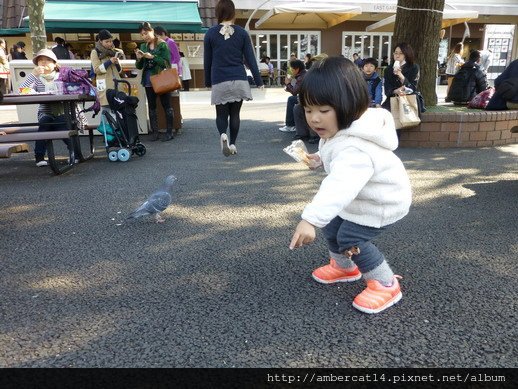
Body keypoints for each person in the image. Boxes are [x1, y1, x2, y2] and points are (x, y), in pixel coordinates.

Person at [289, 56, 412, 314]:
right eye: (308, 110)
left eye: (323, 111)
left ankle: (386, 283)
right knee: (333, 225)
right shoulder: (342, 129)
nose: (314, 119)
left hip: (382, 201)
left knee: (350, 237)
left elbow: (339, 185)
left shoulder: (356, 148)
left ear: (348, 105)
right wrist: (320, 159)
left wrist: (310, 219)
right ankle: (344, 267)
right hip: (362, 197)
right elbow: (335, 152)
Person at [204, 0, 263, 157]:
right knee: (235, 114)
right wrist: (259, 81)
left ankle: (223, 134)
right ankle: (233, 144)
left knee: (221, 114)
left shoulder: (210, 33)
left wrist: (207, 82)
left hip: (219, 79)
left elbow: (207, 61)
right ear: (233, 13)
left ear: (217, 13)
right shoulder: (242, 33)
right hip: (239, 79)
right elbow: (251, 59)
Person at [18, 49, 86, 167]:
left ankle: (75, 153)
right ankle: (39, 157)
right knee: (45, 122)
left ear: (55, 63)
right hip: (46, 111)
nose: (44, 63)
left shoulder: (63, 75)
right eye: (41, 60)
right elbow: (22, 91)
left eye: (48, 60)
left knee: (62, 123)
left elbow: (74, 91)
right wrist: (33, 75)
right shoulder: (37, 79)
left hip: (65, 110)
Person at [135, 21, 175, 142]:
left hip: (161, 79)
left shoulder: (162, 44)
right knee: (152, 107)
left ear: (152, 31)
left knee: (166, 105)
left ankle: (169, 132)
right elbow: (139, 66)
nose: (144, 36)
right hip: (148, 80)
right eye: (142, 34)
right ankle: (155, 132)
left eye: (146, 33)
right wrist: (139, 59)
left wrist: (152, 57)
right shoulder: (143, 46)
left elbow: (167, 63)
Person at [381, 42, 420, 114]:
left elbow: (413, 88)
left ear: (406, 54)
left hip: (409, 101)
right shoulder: (388, 69)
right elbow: (387, 90)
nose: (397, 56)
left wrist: (400, 75)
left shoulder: (414, 67)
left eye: (401, 53)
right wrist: (396, 91)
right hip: (392, 101)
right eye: (395, 53)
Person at [90, 29, 123, 110]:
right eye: (107, 42)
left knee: (119, 111)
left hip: (117, 85)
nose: (109, 43)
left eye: (111, 41)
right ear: (100, 41)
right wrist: (109, 62)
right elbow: (97, 70)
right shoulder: (95, 52)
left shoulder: (113, 51)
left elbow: (119, 71)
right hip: (105, 86)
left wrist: (116, 63)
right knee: (107, 110)